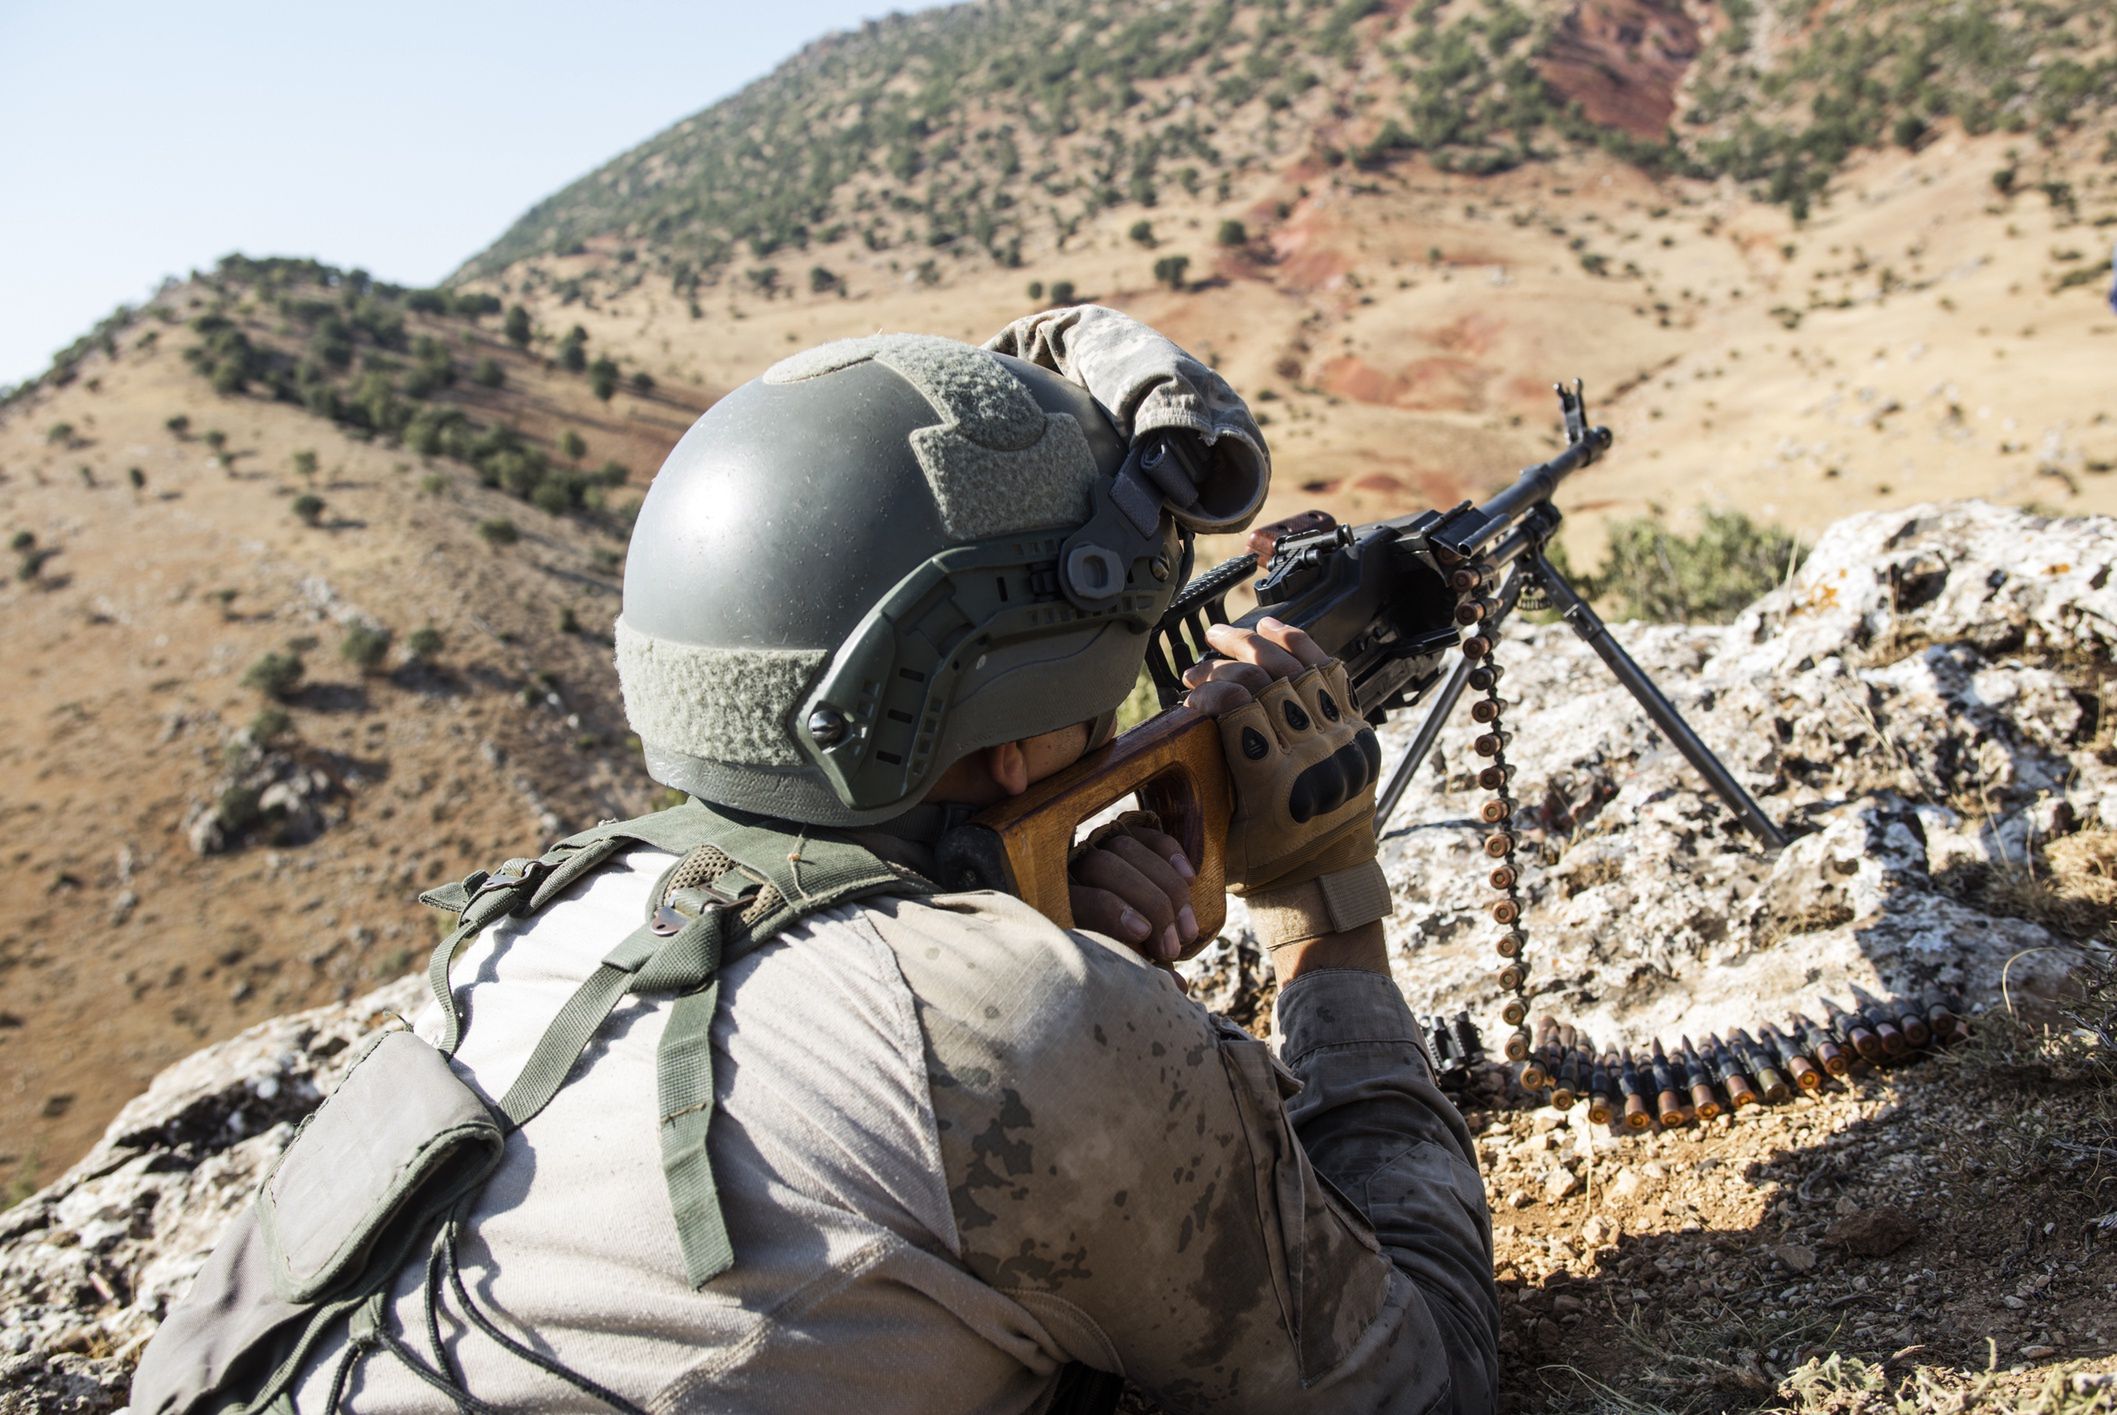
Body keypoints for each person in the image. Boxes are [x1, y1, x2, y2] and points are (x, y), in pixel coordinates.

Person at [131, 307, 1496, 1413]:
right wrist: (1319, 900)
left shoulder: (515, 935)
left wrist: (988, 922)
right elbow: (1413, 1382)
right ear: (1018, 752)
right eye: (1110, 687)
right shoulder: (1019, 1031)